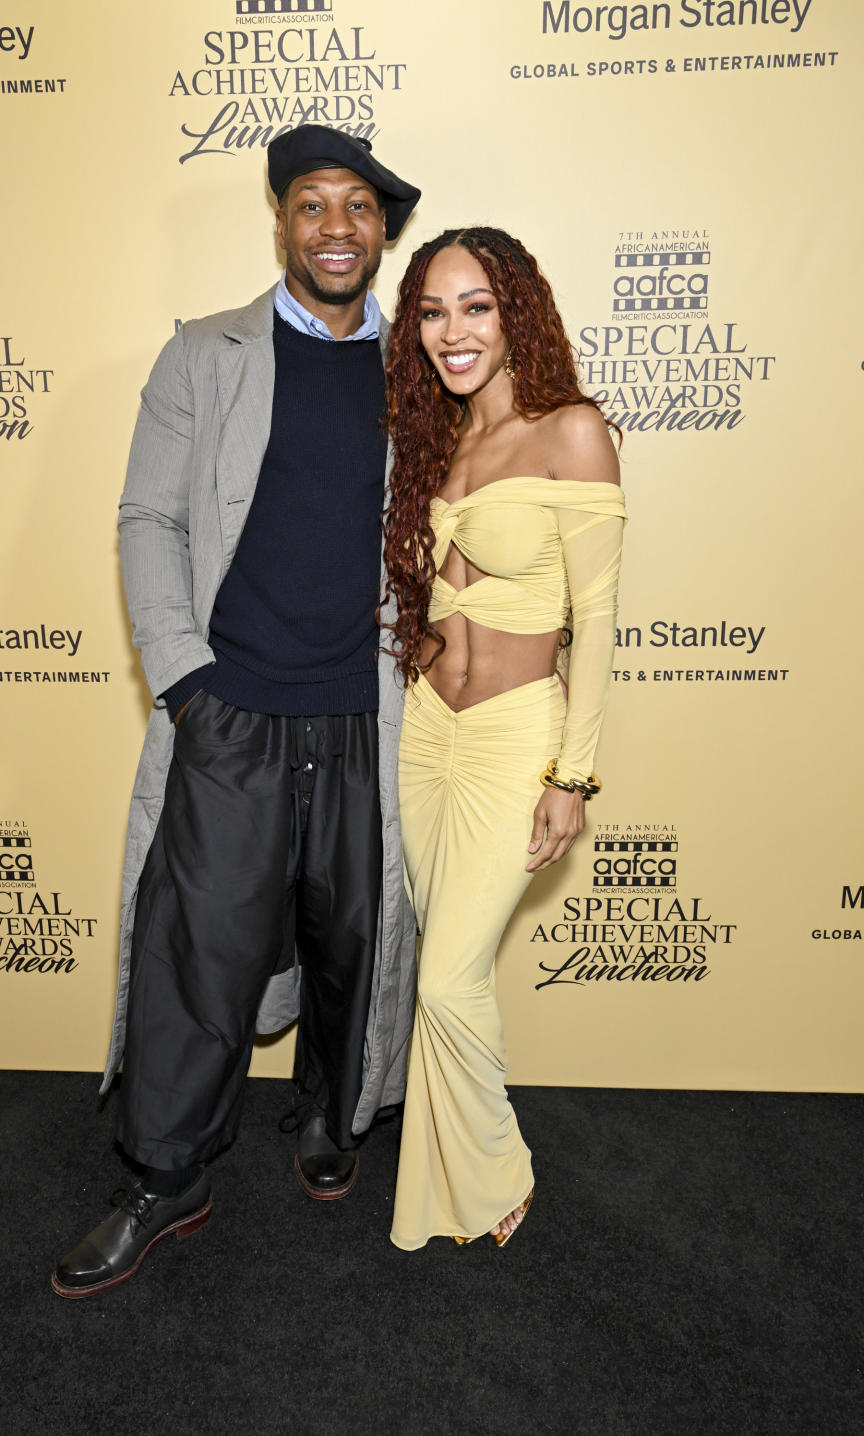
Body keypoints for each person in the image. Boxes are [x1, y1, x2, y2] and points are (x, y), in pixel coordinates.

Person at [52, 126, 421, 1298]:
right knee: (196, 956)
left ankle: (329, 1117)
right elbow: (147, 520)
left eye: (358, 207)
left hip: (368, 717)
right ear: (280, 220)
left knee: (352, 939)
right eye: (312, 205)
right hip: (232, 714)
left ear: (382, 229)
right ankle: (165, 1174)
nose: (335, 229)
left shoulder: (423, 370)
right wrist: (184, 680)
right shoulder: (204, 354)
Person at [382, 228, 626, 1251]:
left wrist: (572, 776)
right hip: (427, 730)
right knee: (450, 967)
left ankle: (500, 1163)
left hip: (513, 737)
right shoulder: (441, 442)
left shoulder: (571, 433)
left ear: (514, 309)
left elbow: (601, 622)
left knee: (446, 977)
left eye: (474, 306)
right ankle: (453, 1174)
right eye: (433, 313)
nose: (453, 332)